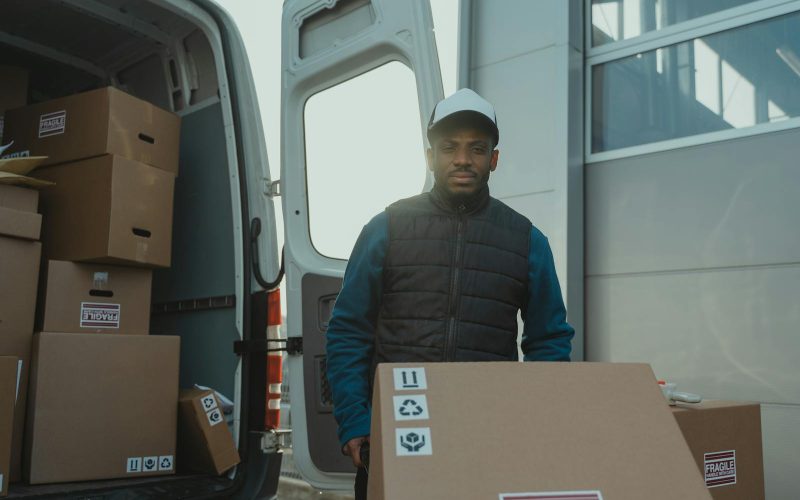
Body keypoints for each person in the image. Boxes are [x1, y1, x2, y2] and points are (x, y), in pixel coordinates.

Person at [325, 88, 574, 499]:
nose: (462, 159)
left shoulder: (527, 240)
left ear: (494, 159)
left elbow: (549, 340)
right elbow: (348, 331)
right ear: (430, 157)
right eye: (449, 147)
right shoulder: (386, 227)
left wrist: (534, 419)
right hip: (397, 430)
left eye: (477, 148)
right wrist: (355, 421)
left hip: (487, 435)